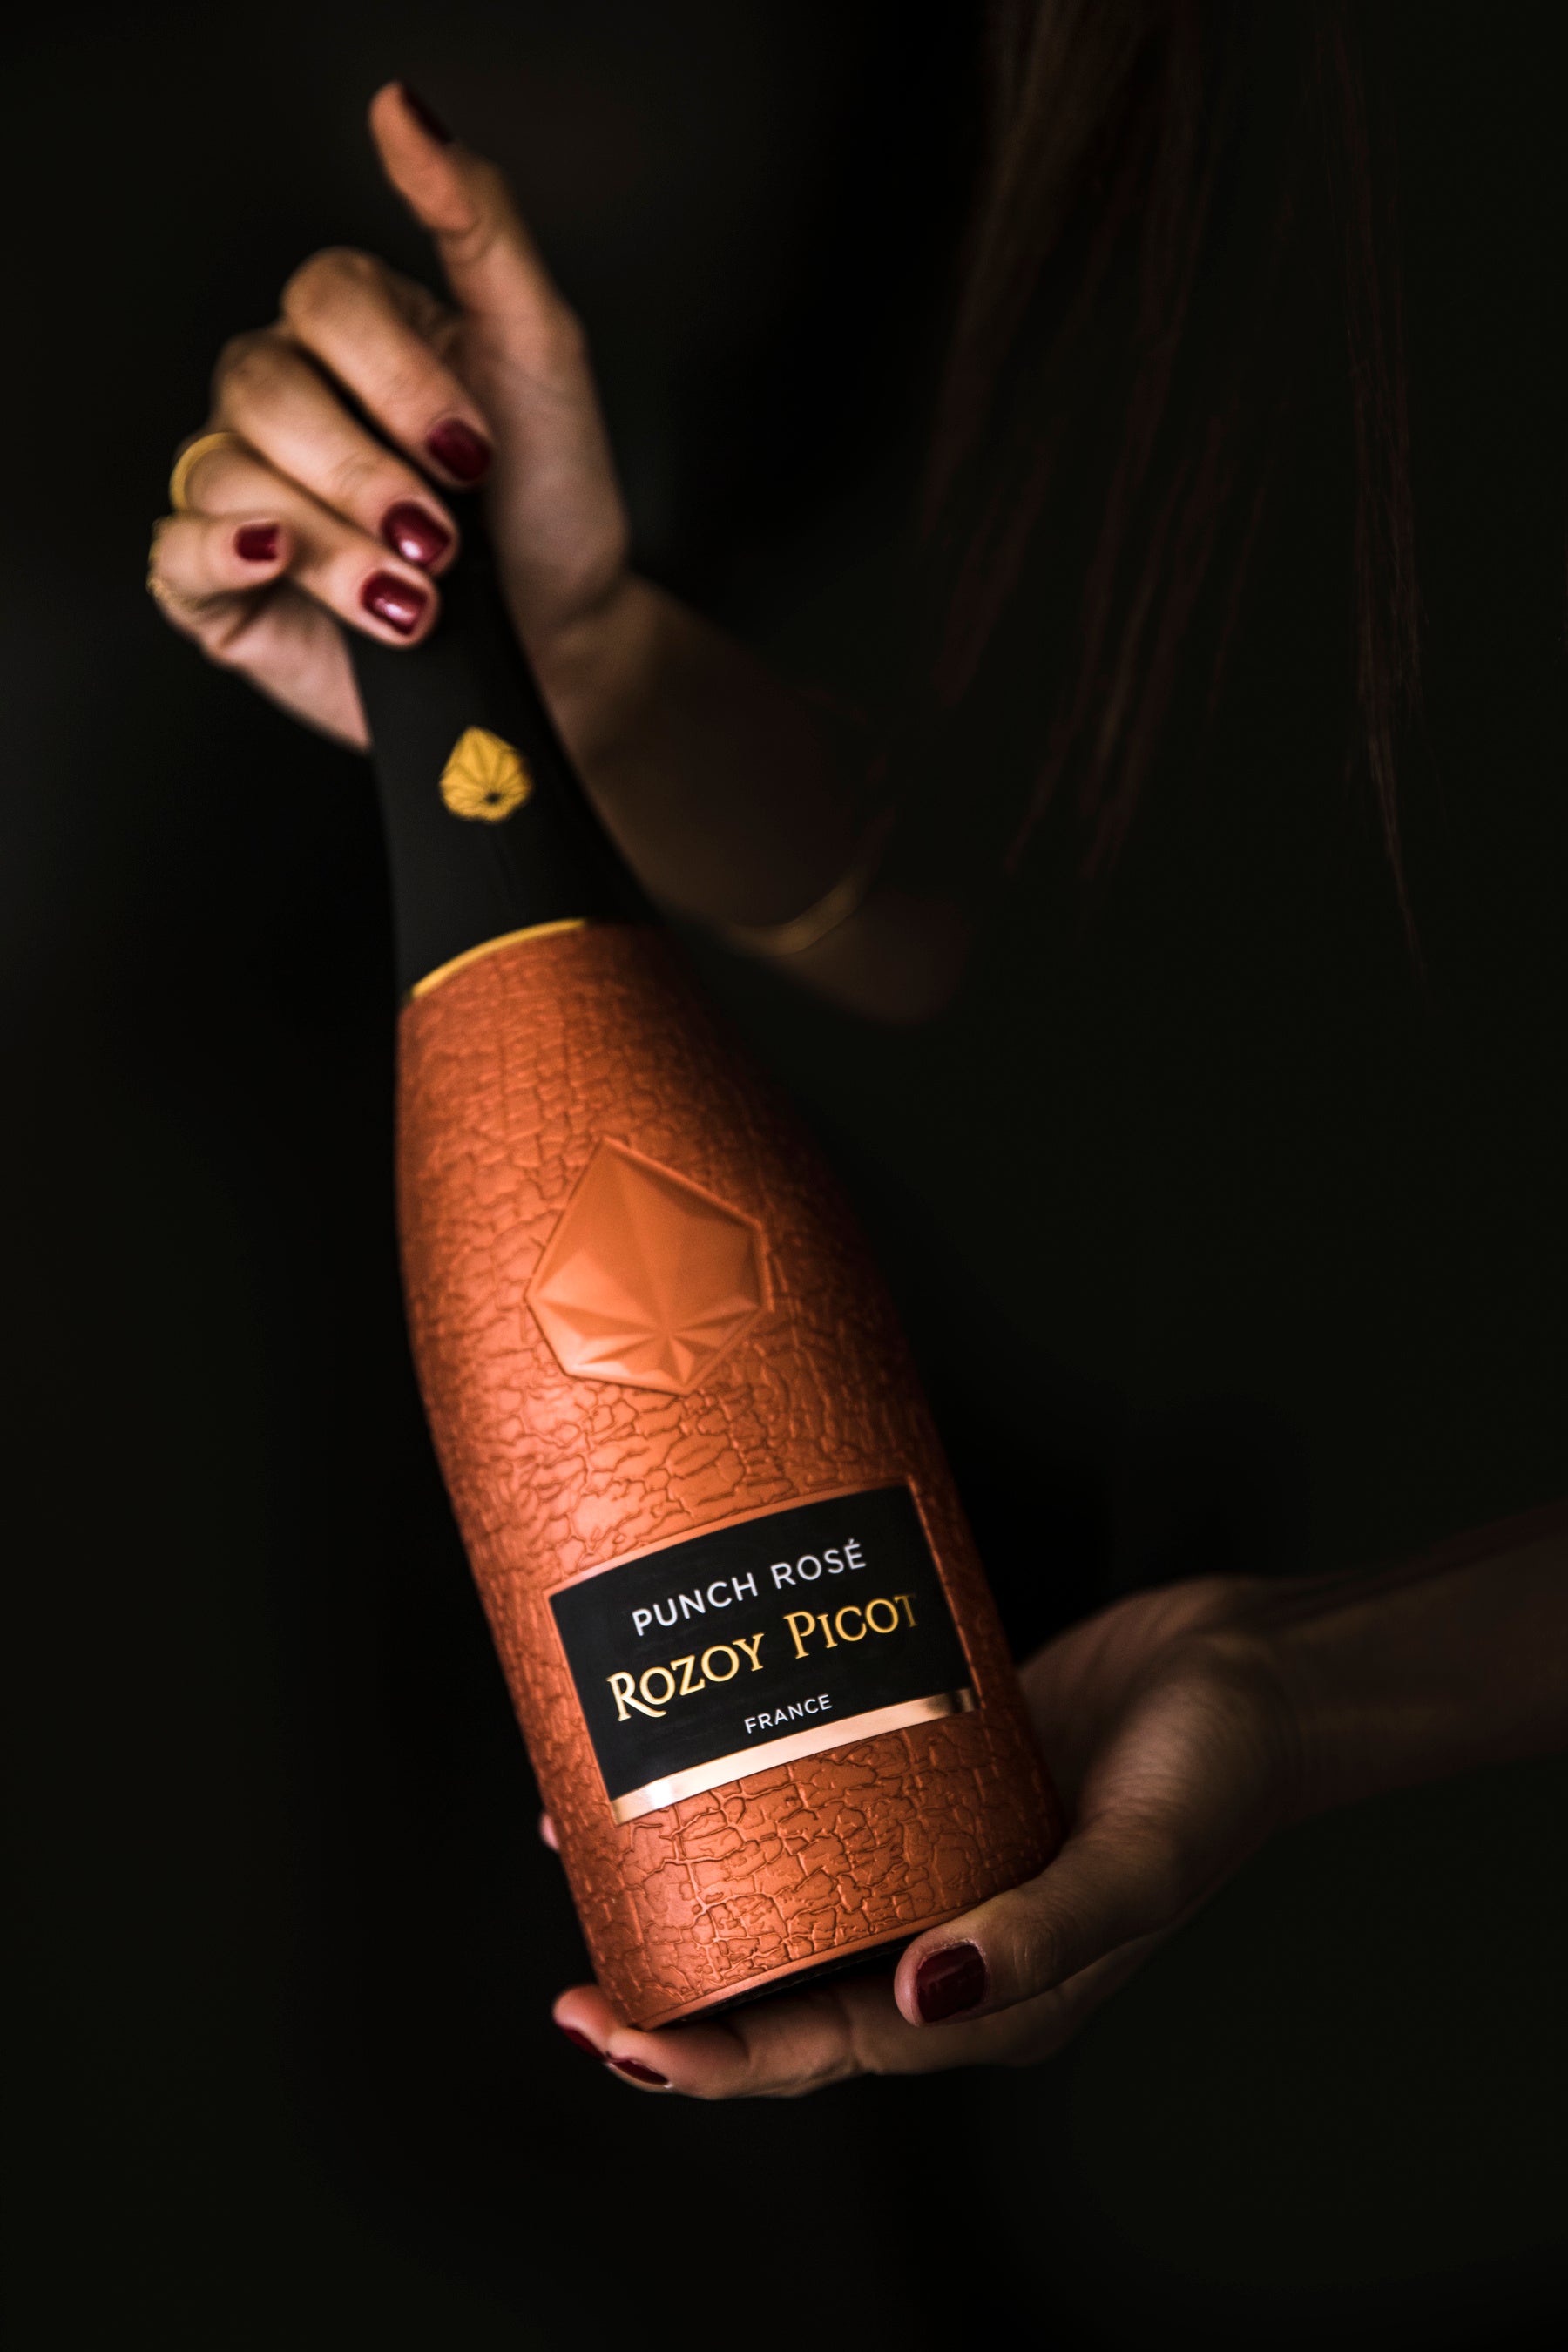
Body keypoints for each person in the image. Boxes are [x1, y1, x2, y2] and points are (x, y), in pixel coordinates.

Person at [147, 37, 1566, 2101]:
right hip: (1161, 1939)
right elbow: (1111, 945)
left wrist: (1345, 1686)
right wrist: (577, 669)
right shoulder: (1072, 107)